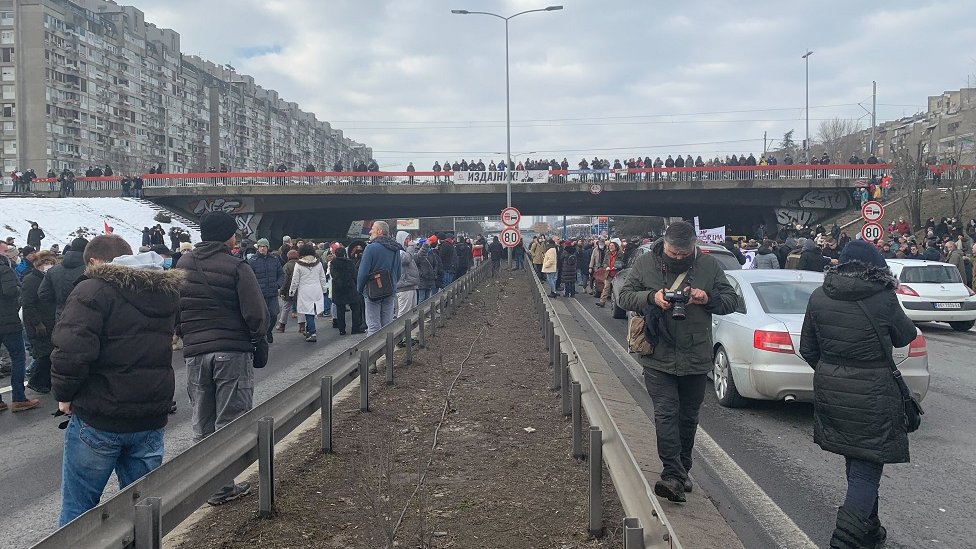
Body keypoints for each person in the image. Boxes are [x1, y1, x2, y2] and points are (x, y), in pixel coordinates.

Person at [51, 238, 183, 526]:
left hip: (100, 415)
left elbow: (72, 350)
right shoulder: (163, 289)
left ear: (94, 261)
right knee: (144, 508)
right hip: (150, 415)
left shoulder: (92, 290)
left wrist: (64, 395)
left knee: (78, 511)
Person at [799, 240, 916, 548]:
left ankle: (869, 528)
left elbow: (807, 348)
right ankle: (844, 540)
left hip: (831, 390)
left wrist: (833, 372)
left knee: (858, 458)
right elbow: (906, 335)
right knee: (866, 466)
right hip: (874, 392)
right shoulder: (884, 297)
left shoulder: (819, 295)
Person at [617, 221, 738, 502]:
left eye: (685, 253)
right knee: (666, 412)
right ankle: (672, 475)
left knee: (688, 417)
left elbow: (731, 300)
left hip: (696, 355)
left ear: (693, 246)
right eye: (674, 252)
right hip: (657, 353)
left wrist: (707, 298)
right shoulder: (646, 262)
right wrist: (651, 297)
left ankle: (682, 470)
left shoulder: (708, 266)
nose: (679, 257)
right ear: (665, 244)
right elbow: (624, 296)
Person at [177, 211, 268, 505]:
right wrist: (258, 336)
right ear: (229, 236)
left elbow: (176, 307)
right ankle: (222, 487)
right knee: (230, 420)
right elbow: (256, 313)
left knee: (202, 421)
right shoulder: (237, 266)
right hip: (231, 351)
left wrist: (186, 333)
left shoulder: (183, 264)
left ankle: (209, 486)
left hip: (195, 353)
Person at [0, 240, 41, 412]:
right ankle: (18, 398)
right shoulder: (4, 268)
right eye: (5, 250)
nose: (8, 254)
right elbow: (11, 291)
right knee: (18, 357)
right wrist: (18, 289)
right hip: (8, 321)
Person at [357, 221, 402, 336]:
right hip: (390, 290)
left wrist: (360, 289)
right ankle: (388, 347)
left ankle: (374, 348)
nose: (370, 231)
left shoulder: (370, 248)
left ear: (380, 231)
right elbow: (398, 272)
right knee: (387, 325)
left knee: (373, 326)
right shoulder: (395, 248)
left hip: (373, 291)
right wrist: (392, 284)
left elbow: (363, 273)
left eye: (372, 228)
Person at [23, 251, 57, 393]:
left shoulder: (48, 278)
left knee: (49, 352)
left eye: (51, 263)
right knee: (44, 354)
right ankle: (36, 381)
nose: (49, 266)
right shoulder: (31, 279)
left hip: (49, 320)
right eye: (46, 263)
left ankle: (46, 382)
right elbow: (28, 304)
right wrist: (37, 323)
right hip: (39, 323)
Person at [38, 237, 89, 322]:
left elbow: (43, 294)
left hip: (61, 318)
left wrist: (59, 306)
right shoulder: (91, 271)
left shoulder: (53, 270)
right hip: (85, 319)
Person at [289, 243, 328, 343]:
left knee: (308, 312)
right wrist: (324, 289)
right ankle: (308, 330)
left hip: (305, 290)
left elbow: (295, 280)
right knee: (312, 311)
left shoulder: (299, 264)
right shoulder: (318, 263)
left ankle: (312, 332)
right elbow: (322, 277)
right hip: (317, 290)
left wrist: (292, 292)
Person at [247, 238, 284, 344]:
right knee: (262, 316)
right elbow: (249, 277)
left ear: (267, 248)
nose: (262, 249)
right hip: (259, 294)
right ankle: (262, 334)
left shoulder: (274, 260)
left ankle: (268, 331)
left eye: (264, 247)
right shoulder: (252, 261)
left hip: (272, 293)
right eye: (260, 247)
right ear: (258, 248)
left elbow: (281, 274)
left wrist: (278, 284)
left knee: (273, 315)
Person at [329, 247, 359, 335]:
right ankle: (355, 328)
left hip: (338, 288)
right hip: (350, 287)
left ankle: (342, 329)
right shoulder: (350, 262)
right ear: (345, 254)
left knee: (340, 310)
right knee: (355, 308)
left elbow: (333, 275)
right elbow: (355, 274)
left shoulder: (333, 263)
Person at [394, 231, 419, 319]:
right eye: (406, 239)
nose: (408, 241)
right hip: (404, 287)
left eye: (409, 238)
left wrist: (425, 248)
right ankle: (400, 327)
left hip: (410, 285)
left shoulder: (406, 251)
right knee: (403, 313)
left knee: (412, 313)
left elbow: (416, 257)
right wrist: (411, 247)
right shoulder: (399, 252)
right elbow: (407, 259)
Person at [275, 249, 300, 333]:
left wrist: (282, 291)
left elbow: (285, 280)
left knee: (285, 308)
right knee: (300, 308)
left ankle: (282, 325)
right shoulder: (300, 264)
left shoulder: (287, 266)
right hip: (299, 289)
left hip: (289, 290)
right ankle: (302, 326)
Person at [595, 239, 622, 307]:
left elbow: (620, 263)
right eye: (610, 246)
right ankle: (602, 302)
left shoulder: (620, 254)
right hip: (609, 274)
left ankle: (619, 304)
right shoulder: (607, 253)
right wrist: (606, 267)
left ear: (616, 247)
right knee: (606, 287)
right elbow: (604, 262)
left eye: (612, 246)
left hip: (617, 274)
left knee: (617, 289)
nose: (611, 247)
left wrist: (615, 267)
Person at [415, 240, 441, 304]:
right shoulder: (417, 255)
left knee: (427, 298)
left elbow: (435, 264)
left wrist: (434, 272)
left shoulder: (431, 254)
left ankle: (425, 310)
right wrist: (421, 273)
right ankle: (420, 310)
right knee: (421, 298)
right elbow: (415, 266)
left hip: (430, 279)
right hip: (422, 280)